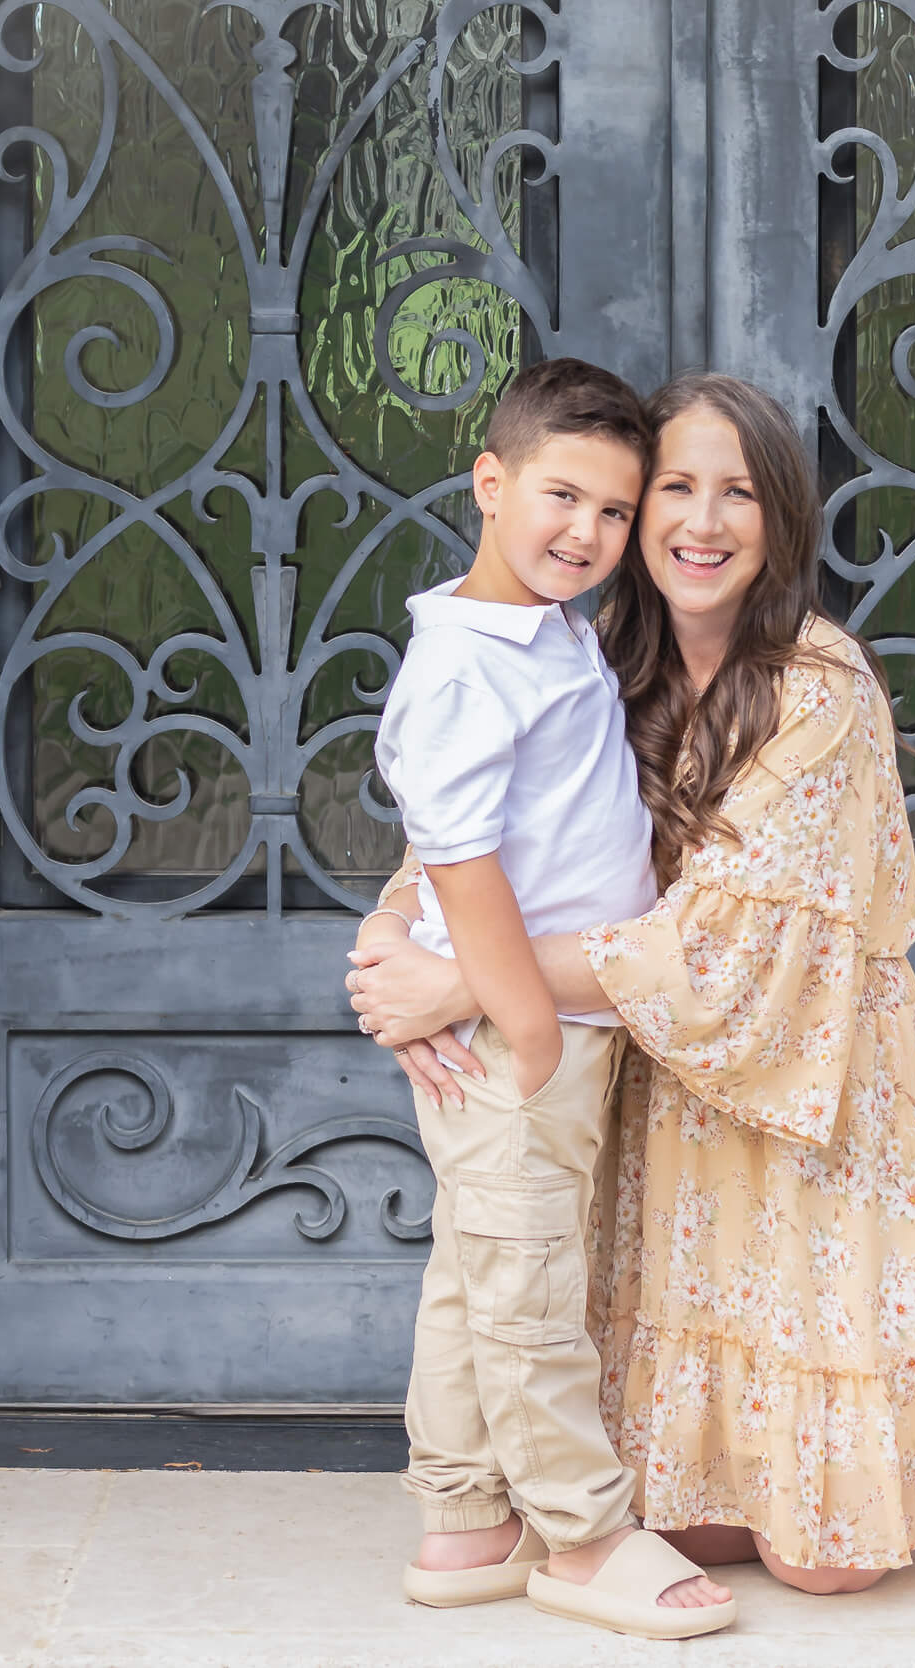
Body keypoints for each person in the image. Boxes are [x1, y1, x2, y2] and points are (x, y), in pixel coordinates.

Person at [354, 372, 915, 1599]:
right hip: (660, 1093)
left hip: (809, 1089)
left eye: (737, 493)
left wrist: (465, 983)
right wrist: (389, 949)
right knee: (695, 1528)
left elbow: (720, 955)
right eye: (671, 491)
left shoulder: (819, 687)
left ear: (780, 521)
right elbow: (461, 826)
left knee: (827, 1567)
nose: (701, 521)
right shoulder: (589, 653)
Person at [368, 357, 738, 1640]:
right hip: (520, 1031)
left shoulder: (548, 633)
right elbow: (459, 857)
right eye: (561, 498)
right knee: (528, 1286)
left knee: (482, 1270)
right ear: (489, 483)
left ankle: (465, 1518)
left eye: (614, 513)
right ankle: (581, 1536)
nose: (587, 533)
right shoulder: (471, 665)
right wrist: (523, 1020)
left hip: (555, 1023)